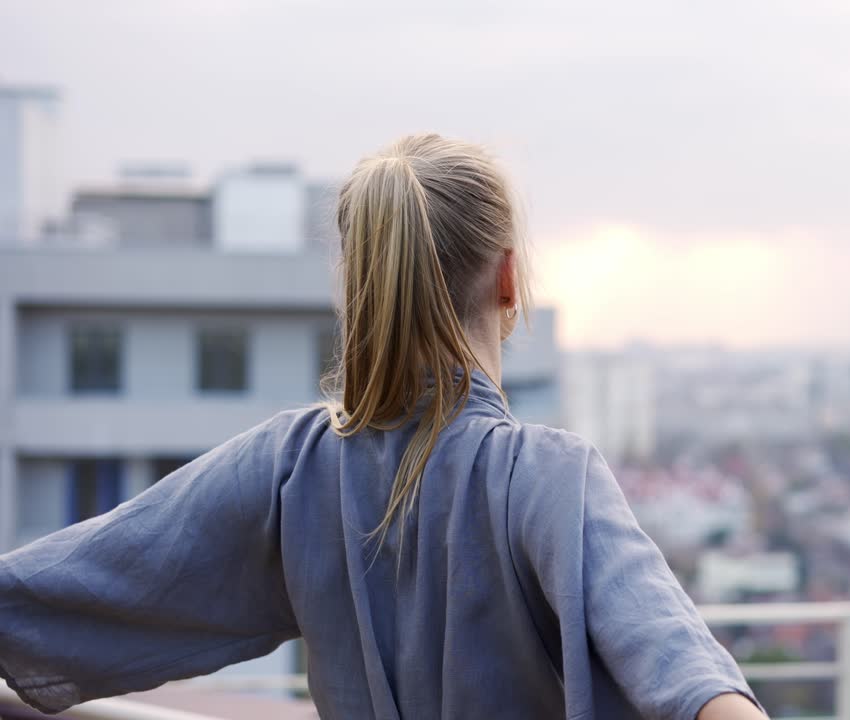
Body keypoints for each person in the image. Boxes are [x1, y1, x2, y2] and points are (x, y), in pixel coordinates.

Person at [0, 134, 766, 720]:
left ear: (362, 283)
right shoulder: (549, 479)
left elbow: (46, 598)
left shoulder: (291, 468)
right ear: (507, 277)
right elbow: (690, 680)